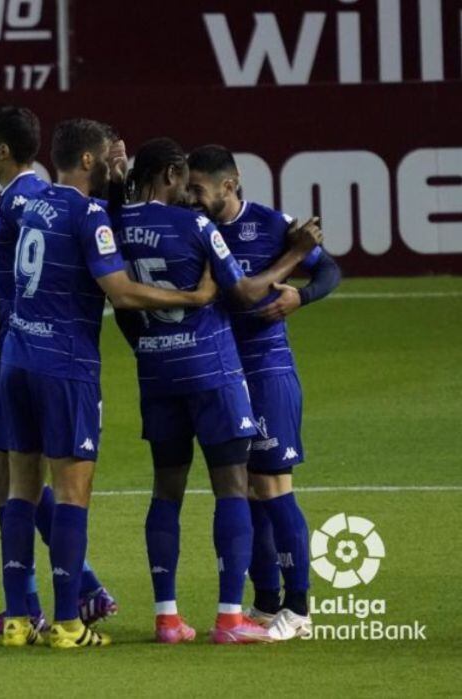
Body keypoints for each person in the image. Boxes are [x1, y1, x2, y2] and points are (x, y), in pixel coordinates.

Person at [0, 120, 218, 650]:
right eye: (108, 160)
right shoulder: (88, 213)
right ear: (91, 161)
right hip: (64, 365)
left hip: (18, 358)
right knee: (73, 494)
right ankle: (69, 624)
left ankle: (17, 619)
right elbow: (120, 292)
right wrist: (193, 299)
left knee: (21, 489)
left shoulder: (33, 203)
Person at [112, 137, 322, 644]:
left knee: (166, 490)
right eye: (182, 178)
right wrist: (297, 252)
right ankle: (232, 617)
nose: (187, 189)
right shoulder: (197, 226)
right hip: (211, 371)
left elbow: (120, 303)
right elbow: (246, 293)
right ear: (169, 175)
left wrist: (148, 344)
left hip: (157, 372)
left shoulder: (114, 225)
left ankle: (167, 617)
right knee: (236, 486)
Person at [0, 106, 117, 637]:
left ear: (4, 151)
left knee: (17, 476)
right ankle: (45, 600)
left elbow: (50, 268)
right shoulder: (19, 197)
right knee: (0, 472)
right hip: (20, 343)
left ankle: (66, 593)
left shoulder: (29, 198)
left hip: (37, 350)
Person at [188, 144, 342, 641]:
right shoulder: (195, 230)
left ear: (229, 186)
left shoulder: (273, 224)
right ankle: (265, 601)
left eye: (199, 189)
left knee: (274, 487)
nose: (191, 196)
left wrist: (302, 296)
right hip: (222, 374)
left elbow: (329, 269)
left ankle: (299, 608)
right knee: (246, 488)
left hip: (267, 369)